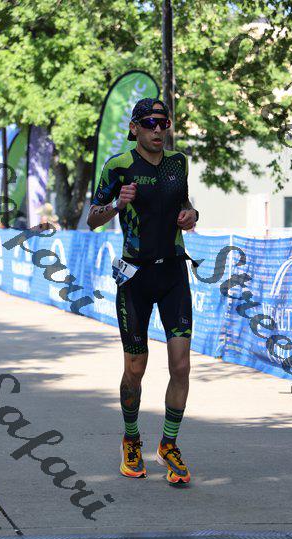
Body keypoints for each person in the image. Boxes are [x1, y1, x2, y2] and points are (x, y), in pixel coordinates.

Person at [87, 97, 199, 485]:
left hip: (173, 273)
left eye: (163, 123)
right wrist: (117, 204)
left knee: (181, 365)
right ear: (135, 128)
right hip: (135, 277)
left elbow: (184, 202)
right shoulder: (118, 165)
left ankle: (169, 444)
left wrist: (191, 215)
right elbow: (92, 219)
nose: (158, 130)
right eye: (150, 123)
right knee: (136, 368)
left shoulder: (178, 163)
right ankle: (131, 439)